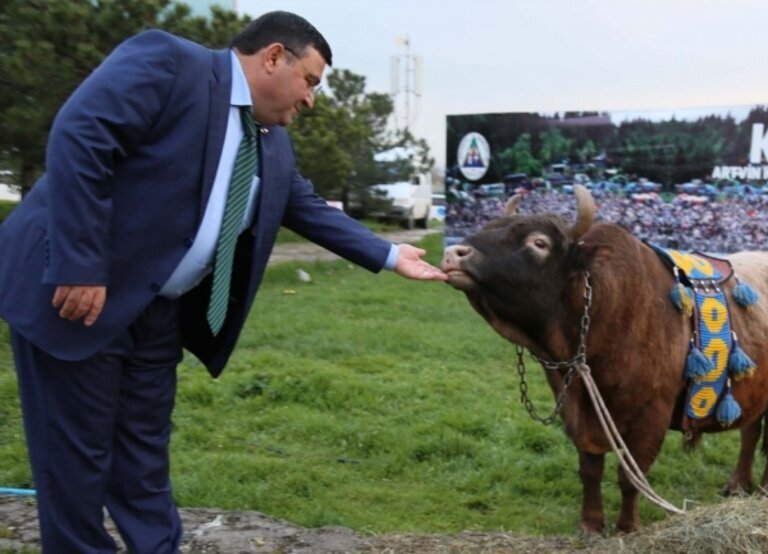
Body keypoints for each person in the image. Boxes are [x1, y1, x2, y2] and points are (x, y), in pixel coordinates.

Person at [0, 11, 447, 553]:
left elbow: (301, 205)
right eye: (310, 81)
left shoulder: (271, 140)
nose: (310, 100)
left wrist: (387, 253)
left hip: (158, 314)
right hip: (77, 294)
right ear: (274, 56)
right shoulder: (169, 63)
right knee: (74, 464)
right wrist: (79, 264)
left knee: (143, 460)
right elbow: (82, 135)